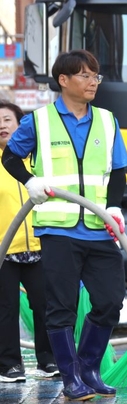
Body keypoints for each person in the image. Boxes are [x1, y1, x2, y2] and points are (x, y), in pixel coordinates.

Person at [1, 50, 127, 401]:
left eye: (96, 76)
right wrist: (30, 181)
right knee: (62, 308)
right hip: (58, 231)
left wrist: (115, 207)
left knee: (110, 301)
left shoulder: (107, 120)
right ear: (63, 80)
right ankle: (70, 377)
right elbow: (10, 157)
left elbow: (118, 170)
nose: (93, 83)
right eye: (85, 76)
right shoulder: (39, 121)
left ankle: (88, 366)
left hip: (100, 227)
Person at [0, 101, 59, 383]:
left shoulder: (36, 161)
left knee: (45, 304)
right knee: (6, 307)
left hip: (38, 245)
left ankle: (48, 360)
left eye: (7, 119)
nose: (1, 125)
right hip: (4, 250)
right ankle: (9, 364)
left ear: (20, 124)